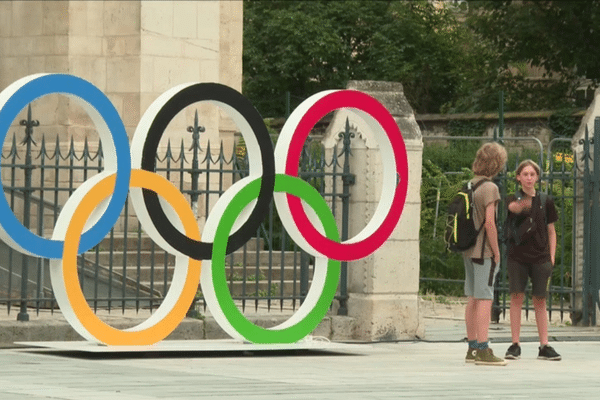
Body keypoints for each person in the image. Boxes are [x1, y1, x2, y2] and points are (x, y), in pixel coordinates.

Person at [504, 160, 561, 361]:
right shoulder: (513, 199)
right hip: (517, 256)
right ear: (518, 177)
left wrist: (551, 256)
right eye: (525, 174)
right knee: (516, 297)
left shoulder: (546, 201)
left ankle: (544, 345)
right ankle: (515, 344)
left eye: (532, 174)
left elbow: (551, 231)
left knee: (540, 300)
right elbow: (511, 211)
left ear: (537, 177)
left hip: (540, 256)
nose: (529, 177)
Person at [463, 142, 508, 366]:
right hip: (484, 252)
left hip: (469, 250)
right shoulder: (490, 188)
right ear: (497, 163)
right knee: (485, 298)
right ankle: (483, 348)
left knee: (472, 297)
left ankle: (472, 348)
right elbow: (490, 223)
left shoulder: (470, 184)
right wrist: (497, 252)